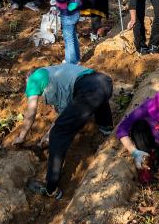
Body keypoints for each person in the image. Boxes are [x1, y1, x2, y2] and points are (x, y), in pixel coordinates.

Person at [14, 63, 114, 198]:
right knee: (95, 96)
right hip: (105, 82)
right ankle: (106, 126)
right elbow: (66, 115)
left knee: (58, 134)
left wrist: (22, 136)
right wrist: (49, 133)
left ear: (29, 77)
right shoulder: (58, 74)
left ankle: (51, 189)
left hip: (90, 91)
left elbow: (31, 112)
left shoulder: (34, 78)